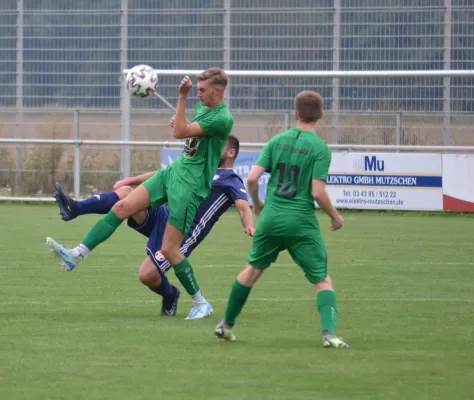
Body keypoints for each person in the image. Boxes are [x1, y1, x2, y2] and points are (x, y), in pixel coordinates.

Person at [46, 67, 234, 318]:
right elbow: (187, 134)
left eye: (202, 90)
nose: (198, 94)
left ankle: (200, 302)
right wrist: (183, 122)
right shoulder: (206, 107)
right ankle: (75, 255)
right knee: (122, 207)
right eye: (196, 90)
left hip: (188, 188)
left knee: (169, 250)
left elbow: (179, 132)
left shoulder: (222, 118)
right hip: (173, 174)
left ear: (218, 91)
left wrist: (181, 98)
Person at [50, 136, 253, 319]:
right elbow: (164, 175)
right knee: (125, 194)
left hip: (182, 231)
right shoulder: (201, 168)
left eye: (218, 147)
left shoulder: (231, 179)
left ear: (231, 152)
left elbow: (243, 207)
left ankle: (172, 295)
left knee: (147, 275)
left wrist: (249, 225)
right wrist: (130, 180)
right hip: (165, 215)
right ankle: (74, 211)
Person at [213, 90, 349, 348]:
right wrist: (335, 216)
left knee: (252, 271)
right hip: (301, 222)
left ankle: (226, 325)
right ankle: (329, 336)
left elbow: (252, 178)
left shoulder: (277, 141)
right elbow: (317, 192)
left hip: (271, 218)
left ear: (295, 114)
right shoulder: (320, 148)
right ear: (321, 115)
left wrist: (257, 203)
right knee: (321, 279)